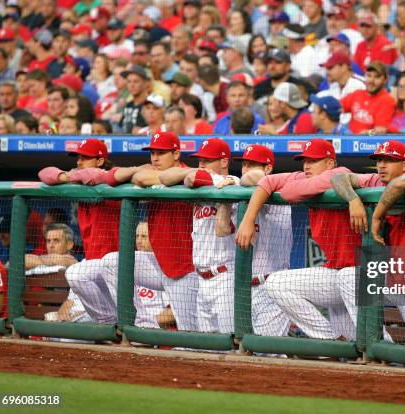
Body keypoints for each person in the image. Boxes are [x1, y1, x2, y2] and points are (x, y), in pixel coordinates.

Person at [329, 140, 405, 348]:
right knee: (349, 277)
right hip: (394, 279)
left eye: (389, 160)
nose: (382, 165)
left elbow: (400, 185)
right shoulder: (376, 181)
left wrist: (376, 216)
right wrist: (353, 200)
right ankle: (380, 344)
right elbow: (339, 177)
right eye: (379, 160)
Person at [236, 139, 358, 340]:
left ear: (330, 162)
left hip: (362, 274)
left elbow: (291, 191)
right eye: (305, 161)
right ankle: (331, 340)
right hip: (336, 273)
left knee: (372, 339)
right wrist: (248, 219)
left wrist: (295, 186)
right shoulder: (303, 177)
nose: (306, 166)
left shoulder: (341, 173)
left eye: (313, 161)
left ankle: (393, 364)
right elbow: (266, 182)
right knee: (277, 283)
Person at [82, 132, 198, 332]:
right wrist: (158, 177)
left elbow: (191, 177)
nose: (155, 157)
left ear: (176, 154)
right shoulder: (156, 173)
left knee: (191, 333)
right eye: (153, 152)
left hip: (185, 266)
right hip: (159, 261)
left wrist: (166, 177)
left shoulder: (188, 173)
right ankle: (145, 326)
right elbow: (135, 177)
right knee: (112, 262)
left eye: (161, 153)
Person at [158, 138, 239, 334]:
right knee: (206, 347)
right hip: (202, 278)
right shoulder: (203, 183)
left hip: (225, 276)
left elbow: (191, 179)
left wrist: (193, 174)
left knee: (231, 341)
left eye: (207, 160)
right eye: (199, 160)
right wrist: (192, 171)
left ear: (223, 162)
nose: (201, 164)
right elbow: (164, 177)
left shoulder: (231, 182)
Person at [38, 139, 121, 324]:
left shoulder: (111, 181)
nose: (79, 162)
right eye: (78, 158)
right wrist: (66, 177)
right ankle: (108, 322)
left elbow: (95, 175)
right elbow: (44, 173)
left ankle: (114, 322)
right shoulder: (78, 182)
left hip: (116, 262)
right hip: (92, 262)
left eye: (85, 158)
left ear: (100, 161)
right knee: (76, 276)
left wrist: (75, 175)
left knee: (75, 274)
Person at [216, 144, 293, 337]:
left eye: (252, 164)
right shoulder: (241, 194)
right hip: (241, 286)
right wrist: (225, 200)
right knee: (237, 348)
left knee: (269, 351)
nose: (246, 169)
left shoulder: (277, 189)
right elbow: (221, 230)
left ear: (268, 168)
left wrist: (234, 179)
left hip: (271, 285)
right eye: (244, 165)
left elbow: (254, 179)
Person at [340, 61, 395, 134]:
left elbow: (380, 131)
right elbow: (337, 108)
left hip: (369, 143)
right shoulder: (358, 93)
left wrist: (367, 133)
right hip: (350, 139)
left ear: (385, 80)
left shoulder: (387, 100)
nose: (371, 80)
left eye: (377, 77)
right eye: (369, 75)